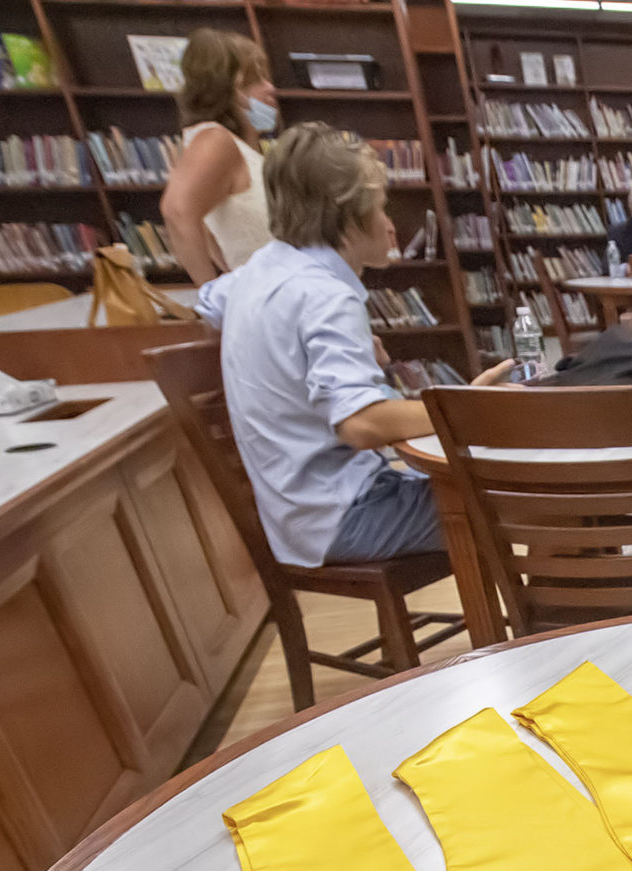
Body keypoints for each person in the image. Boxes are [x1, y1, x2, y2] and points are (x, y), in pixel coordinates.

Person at [216, 125, 509, 569]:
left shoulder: (260, 269)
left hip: (296, 513)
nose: (391, 225)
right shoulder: (325, 295)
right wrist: (470, 407)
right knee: (532, 500)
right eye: (380, 207)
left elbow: (207, 303)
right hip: (345, 515)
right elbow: (361, 424)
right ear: (345, 215)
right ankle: (542, 631)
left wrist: (299, 361)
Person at [161, 30, 275, 285]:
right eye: (257, 79)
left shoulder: (235, 146)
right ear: (234, 86)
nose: (270, 88)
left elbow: (207, 224)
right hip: (265, 299)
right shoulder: (215, 140)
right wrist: (211, 295)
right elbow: (177, 211)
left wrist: (230, 270)